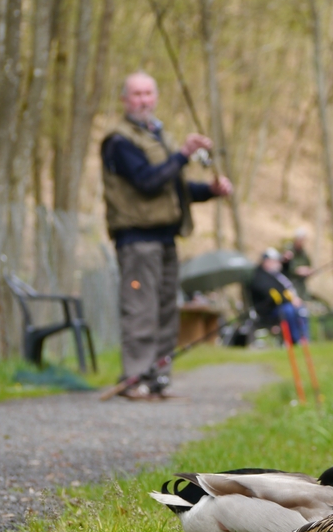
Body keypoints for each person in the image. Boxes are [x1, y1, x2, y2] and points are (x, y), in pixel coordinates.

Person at [101, 71, 232, 400]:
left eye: (148, 93)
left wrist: (210, 190)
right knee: (140, 309)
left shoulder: (158, 135)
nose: (143, 100)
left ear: (156, 97)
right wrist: (183, 153)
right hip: (137, 240)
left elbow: (174, 187)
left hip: (166, 238)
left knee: (165, 311)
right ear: (124, 99)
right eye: (136, 94)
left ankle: (158, 377)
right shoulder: (119, 141)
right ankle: (135, 378)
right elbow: (147, 182)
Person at [250, 248, 310, 344]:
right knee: (289, 310)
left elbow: (286, 274)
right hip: (268, 311)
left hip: (281, 306)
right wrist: (290, 300)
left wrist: (287, 262)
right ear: (266, 261)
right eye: (274, 261)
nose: (277, 263)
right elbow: (272, 295)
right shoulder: (259, 276)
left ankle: (304, 339)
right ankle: (294, 340)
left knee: (301, 310)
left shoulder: (275, 274)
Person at [281, 227, 313, 300]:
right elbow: (285, 267)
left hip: (301, 285)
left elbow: (308, 265)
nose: (302, 242)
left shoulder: (303, 253)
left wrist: (308, 271)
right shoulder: (288, 250)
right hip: (289, 283)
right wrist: (298, 270)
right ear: (296, 239)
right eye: (301, 240)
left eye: (303, 240)